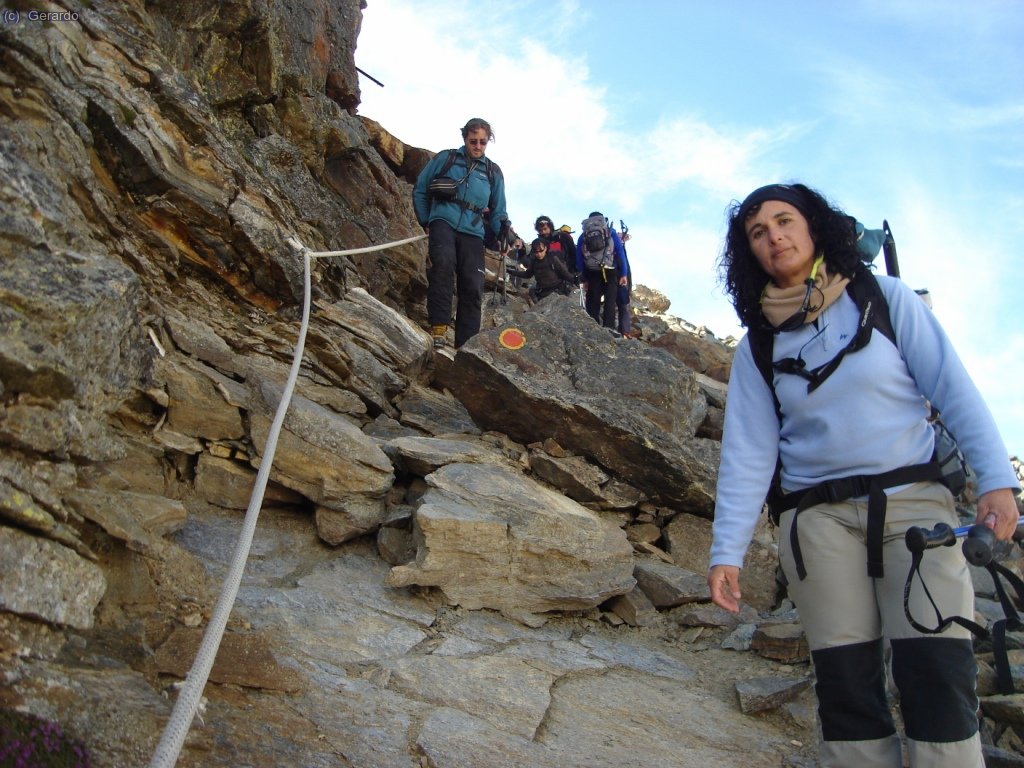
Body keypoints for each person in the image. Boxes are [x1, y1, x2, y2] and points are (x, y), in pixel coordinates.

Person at [706, 183, 1019, 768]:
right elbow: (748, 452)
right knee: (845, 684)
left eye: (784, 220)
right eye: (757, 232)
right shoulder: (759, 346)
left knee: (937, 671)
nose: (774, 236)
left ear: (813, 226)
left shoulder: (884, 298)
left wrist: (998, 481)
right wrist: (727, 551)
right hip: (816, 523)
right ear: (750, 253)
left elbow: (952, 388)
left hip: (914, 508)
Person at [413, 118, 510, 349]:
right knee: (443, 267)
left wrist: (503, 236)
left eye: (483, 142)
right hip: (443, 222)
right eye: (473, 141)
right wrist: (427, 220)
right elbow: (420, 189)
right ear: (465, 138)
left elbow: (498, 211)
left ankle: (465, 345)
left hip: (473, 232)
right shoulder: (445, 158)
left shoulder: (493, 171)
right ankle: (438, 328)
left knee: (473, 284)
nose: (478, 146)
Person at [576, 212, 628, 329]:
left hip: (593, 271)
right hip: (610, 270)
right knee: (610, 300)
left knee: (593, 300)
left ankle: (593, 327)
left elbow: (579, 258)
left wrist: (583, 278)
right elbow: (620, 252)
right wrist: (624, 273)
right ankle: (609, 328)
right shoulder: (610, 231)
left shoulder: (583, 236)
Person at [512, 238, 573, 304]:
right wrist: (511, 272)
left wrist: (575, 279)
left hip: (558, 291)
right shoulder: (533, 262)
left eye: (541, 251)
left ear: (546, 248)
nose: (539, 254)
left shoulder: (553, 259)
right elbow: (527, 274)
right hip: (543, 293)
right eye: (536, 252)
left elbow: (565, 273)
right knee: (532, 291)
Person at [534, 215, 578, 289]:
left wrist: (574, 273)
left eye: (545, 229)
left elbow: (574, 254)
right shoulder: (538, 243)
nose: (543, 232)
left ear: (550, 227)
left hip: (568, 276)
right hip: (548, 279)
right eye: (540, 230)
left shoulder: (563, 236)